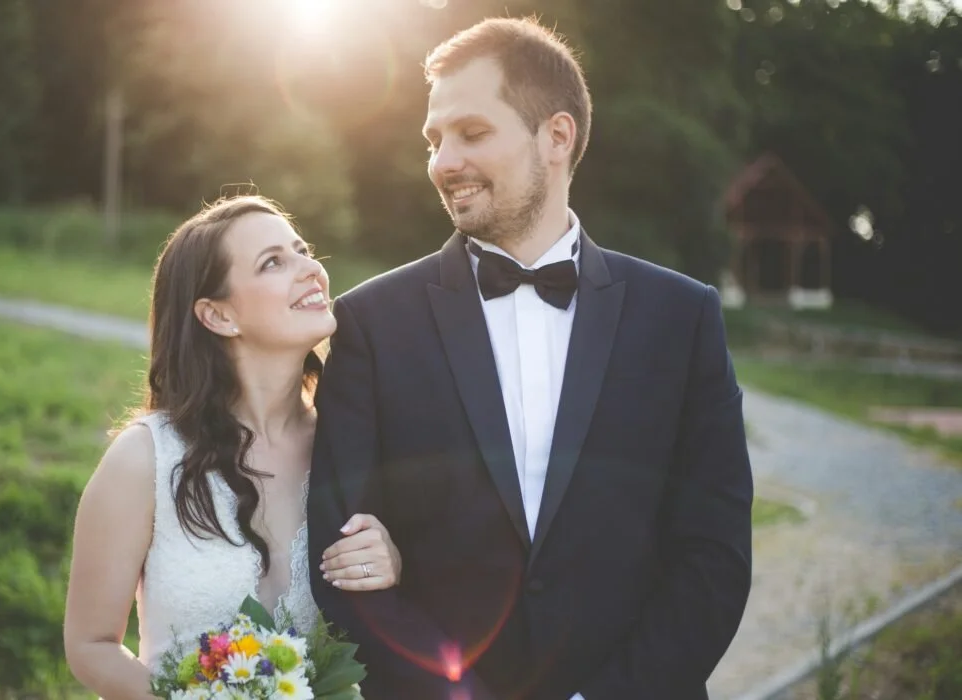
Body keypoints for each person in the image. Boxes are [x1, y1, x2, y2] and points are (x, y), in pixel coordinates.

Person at [310, 17, 753, 700]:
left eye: (472, 133)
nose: (442, 161)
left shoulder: (681, 319)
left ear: (556, 136)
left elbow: (713, 556)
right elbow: (342, 563)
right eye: (434, 139)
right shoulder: (369, 323)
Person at [63, 196, 403, 699]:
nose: (310, 268)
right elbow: (90, 645)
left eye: (302, 249)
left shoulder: (358, 445)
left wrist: (395, 564)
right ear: (218, 315)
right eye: (273, 262)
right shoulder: (145, 460)